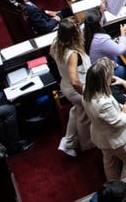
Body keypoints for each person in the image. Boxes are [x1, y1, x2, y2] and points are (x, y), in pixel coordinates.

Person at [82, 59, 126, 180]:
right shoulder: (103, 102)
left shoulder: (87, 90)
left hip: (101, 136)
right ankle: (123, 186)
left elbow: (109, 111)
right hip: (115, 139)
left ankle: (112, 183)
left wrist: (124, 107)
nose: (111, 79)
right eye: (109, 77)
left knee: (110, 162)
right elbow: (118, 122)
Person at [51, 19, 93, 157]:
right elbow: (75, 81)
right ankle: (87, 144)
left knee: (76, 110)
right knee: (84, 117)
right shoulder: (73, 54)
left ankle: (67, 143)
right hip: (77, 89)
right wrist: (87, 93)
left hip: (65, 85)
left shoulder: (56, 44)